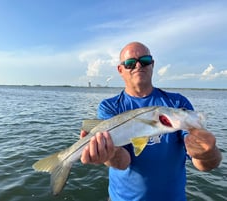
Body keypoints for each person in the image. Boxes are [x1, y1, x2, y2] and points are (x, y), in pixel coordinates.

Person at [80, 42, 222, 201]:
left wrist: (208, 153)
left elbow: (203, 164)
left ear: (152, 64)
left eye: (145, 60)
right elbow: (123, 163)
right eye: (130, 63)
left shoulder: (177, 102)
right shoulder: (109, 106)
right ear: (120, 70)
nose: (138, 65)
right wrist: (109, 154)